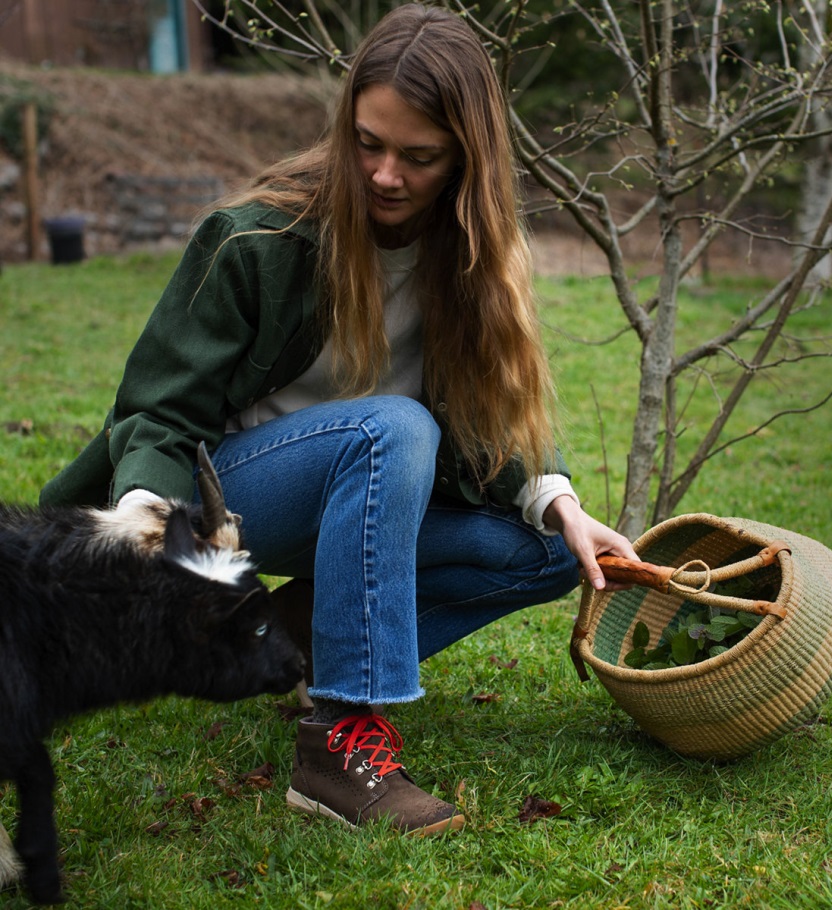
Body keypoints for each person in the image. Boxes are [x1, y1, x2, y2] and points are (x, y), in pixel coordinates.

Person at [40, 3, 638, 836]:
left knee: (547, 553)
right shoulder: (256, 239)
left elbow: (489, 412)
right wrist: (151, 524)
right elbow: (158, 410)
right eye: (368, 143)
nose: (386, 174)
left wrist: (563, 504)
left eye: (419, 157)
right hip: (238, 505)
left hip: (368, 506)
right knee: (393, 428)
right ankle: (337, 747)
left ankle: (298, 637)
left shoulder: (469, 258)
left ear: (467, 160)